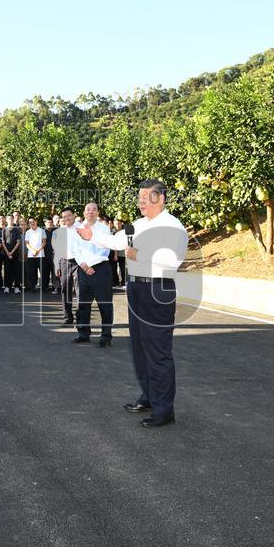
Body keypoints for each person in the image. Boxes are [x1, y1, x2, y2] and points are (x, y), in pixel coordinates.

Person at [77, 179, 188, 428]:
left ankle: (164, 409)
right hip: (136, 286)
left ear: (159, 199)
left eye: (144, 198)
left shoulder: (173, 226)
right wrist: (91, 236)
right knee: (139, 346)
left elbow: (173, 261)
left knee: (158, 349)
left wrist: (137, 254)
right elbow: (118, 242)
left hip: (158, 289)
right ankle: (149, 396)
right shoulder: (137, 225)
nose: (140, 202)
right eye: (139, 197)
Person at [71, 202, 114, 347]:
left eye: (94, 209)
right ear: (84, 212)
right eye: (88, 209)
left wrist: (91, 265)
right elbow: (75, 249)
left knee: (105, 304)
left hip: (101, 269)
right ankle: (83, 333)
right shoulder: (77, 229)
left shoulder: (104, 228)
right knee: (82, 304)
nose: (91, 212)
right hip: (83, 270)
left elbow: (106, 249)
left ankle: (106, 336)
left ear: (98, 212)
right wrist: (84, 265)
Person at [53, 207, 79, 324]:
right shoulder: (60, 232)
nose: (66, 218)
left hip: (78, 263)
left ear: (74, 215)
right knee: (65, 290)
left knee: (79, 291)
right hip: (64, 262)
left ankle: (81, 319)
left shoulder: (81, 228)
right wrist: (56, 266)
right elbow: (57, 250)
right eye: (64, 217)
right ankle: (68, 318)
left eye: (69, 216)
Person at [0, 215, 22, 294]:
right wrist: (8, 252)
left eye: (12, 219)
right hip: (6, 254)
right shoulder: (4, 230)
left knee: (16, 270)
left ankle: (17, 287)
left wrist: (11, 252)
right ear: (6, 220)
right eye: (9, 219)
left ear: (13, 220)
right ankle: (7, 287)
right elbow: (3, 243)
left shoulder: (16, 230)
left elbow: (18, 242)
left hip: (15, 253)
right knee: (7, 270)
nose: (10, 220)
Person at [23, 217, 45, 292]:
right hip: (31, 254)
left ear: (36, 221)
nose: (32, 223)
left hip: (40, 254)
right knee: (32, 272)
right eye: (30, 222)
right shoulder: (28, 232)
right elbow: (27, 243)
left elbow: (44, 242)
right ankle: (33, 287)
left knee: (42, 271)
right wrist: (33, 250)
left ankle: (43, 287)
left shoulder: (41, 230)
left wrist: (38, 251)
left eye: (33, 221)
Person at [42, 217, 57, 294]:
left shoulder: (56, 231)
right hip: (44, 255)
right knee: (45, 272)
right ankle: (44, 287)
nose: (50, 224)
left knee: (54, 272)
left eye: (51, 222)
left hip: (54, 255)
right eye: (48, 223)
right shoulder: (42, 231)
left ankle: (55, 287)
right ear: (45, 223)